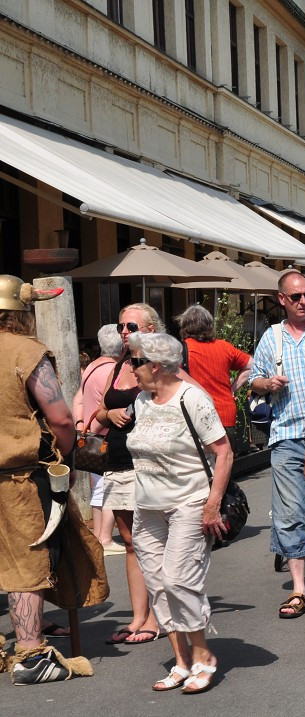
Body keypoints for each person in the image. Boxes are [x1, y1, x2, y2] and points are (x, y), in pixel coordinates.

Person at [0, 275, 104, 685]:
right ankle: (30, 655)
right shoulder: (26, 351)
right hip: (19, 477)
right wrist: (64, 456)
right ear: (20, 313)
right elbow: (61, 418)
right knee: (29, 559)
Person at [125, 332, 232, 693]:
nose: (131, 367)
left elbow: (224, 452)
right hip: (147, 506)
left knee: (178, 580)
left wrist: (213, 503)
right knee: (157, 583)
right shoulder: (141, 401)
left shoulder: (192, 398)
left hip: (189, 503)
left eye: (135, 361)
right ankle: (181, 660)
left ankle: (204, 656)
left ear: (155, 365)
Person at [249, 270, 305, 619]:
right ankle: (299, 589)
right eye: (296, 297)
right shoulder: (271, 338)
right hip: (286, 437)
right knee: (290, 514)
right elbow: (253, 380)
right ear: (282, 300)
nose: (304, 302)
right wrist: (268, 383)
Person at [95, 303, 164, 644]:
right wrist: (111, 414)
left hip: (147, 463)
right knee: (131, 544)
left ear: (151, 329)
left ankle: (156, 616)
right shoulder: (120, 363)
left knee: (151, 542)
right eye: (121, 325)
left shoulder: (161, 362)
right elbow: (99, 410)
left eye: (131, 326)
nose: (124, 331)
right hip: (118, 463)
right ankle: (138, 617)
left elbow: (181, 397)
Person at [72, 323, 125, 554]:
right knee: (111, 489)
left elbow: (78, 400)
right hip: (106, 436)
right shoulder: (114, 371)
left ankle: (98, 536)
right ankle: (105, 538)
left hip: (91, 437)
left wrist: (81, 426)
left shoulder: (92, 366)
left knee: (98, 489)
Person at [176, 305, 252, 453]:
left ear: (184, 326)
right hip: (225, 414)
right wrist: (232, 388)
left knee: (201, 468)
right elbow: (251, 365)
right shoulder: (224, 347)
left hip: (195, 415)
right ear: (210, 325)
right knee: (225, 462)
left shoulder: (181, 349)